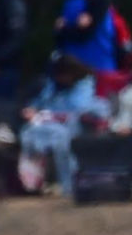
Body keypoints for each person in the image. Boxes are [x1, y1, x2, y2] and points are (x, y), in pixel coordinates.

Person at [17, 50, 105, 190]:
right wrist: (31, 109)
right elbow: (41, 101)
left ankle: (69, 185)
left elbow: (77, 109)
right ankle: (32, 183)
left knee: (60, 139)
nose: (59, 79)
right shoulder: (52, 84)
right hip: (46, 123)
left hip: (73, 125)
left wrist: (48, 115)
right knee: (27, 132)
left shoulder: (84, 84)